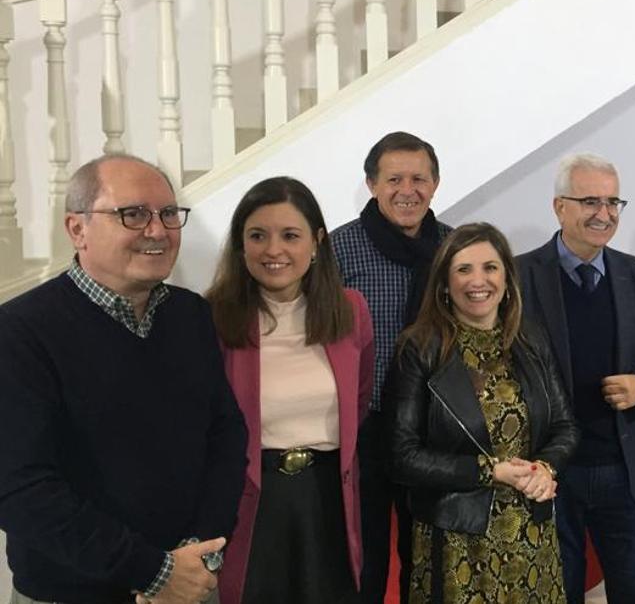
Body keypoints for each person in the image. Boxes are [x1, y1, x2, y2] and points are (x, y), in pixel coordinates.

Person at [0, 155, 247, 604]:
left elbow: (225, 435)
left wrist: (199, 551)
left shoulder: (190, 315)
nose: (157, 230)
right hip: (72, 594)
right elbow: (20, 489)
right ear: (77, 229)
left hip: (190, 582)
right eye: (132, 214)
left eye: (169, 213)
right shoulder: (19, 332)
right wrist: (153, 572)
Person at [385, 222, 579, 604]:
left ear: (507, 277)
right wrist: (490, 471)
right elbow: (402, 457)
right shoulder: (420, 347)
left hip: (531, 533)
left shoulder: (532, 338)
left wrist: (547, 468)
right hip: (457, 537)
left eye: (490, 267)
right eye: (463, 269)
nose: (479, 280)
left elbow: (565, 426)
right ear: (444, 283)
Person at [205, 177, 375, 603]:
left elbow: (360, 397)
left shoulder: (350, 310)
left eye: (290, 235)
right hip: (253, 501)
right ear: (241, 246)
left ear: (316, 242)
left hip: (330, 497)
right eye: (257, 235)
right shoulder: (213, 317)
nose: (273, 250)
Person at [516, 153, 635, 604]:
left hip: (624, 469)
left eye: (612, 202)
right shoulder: (518, 275)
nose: (603, 214)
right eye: (589, 201)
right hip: (548, 470)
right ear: (558, 206)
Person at [331, 131, 453, 603]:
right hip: (366, 428)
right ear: (371, 184)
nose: (408, 190)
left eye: (419, 178)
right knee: (365, 556)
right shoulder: (341, 249)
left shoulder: (454, 247)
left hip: (434, 427)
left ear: (436, 184)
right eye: (395, 178)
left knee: (428, 554)